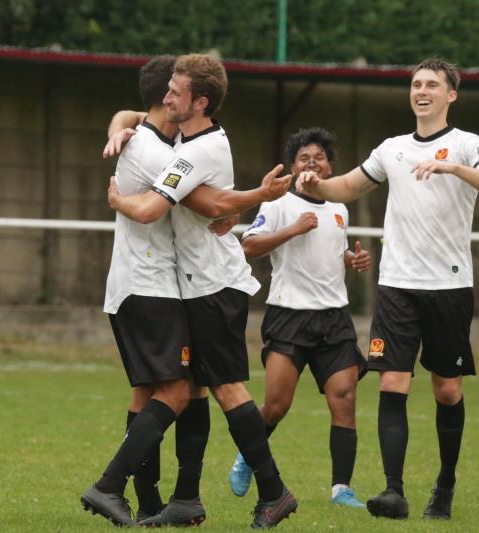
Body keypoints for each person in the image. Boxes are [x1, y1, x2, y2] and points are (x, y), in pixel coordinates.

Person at [297, 58, 479, 520]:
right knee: (392, 382)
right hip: (396, 284)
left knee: (446, 390)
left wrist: (456, 169)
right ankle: (393, 492)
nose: (422, 90)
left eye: (432, 84)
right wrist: (317, 184)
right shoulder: (391, 149)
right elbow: (349, 187)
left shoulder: (467, 144)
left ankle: (445, 484)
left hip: (448, 287)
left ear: (450, 95)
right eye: (416, 83)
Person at [93, 55, 291, 527]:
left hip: (212, 284)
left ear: (199, 102)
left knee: (223, 389)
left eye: (176, 92)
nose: (167, 99)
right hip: (190, 284)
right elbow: (136, 116)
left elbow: (179, 206)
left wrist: (120, 200)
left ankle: (274, 491)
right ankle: (184, 499)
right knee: (195, 390)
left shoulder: (195, 151)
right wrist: (119, 124)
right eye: (167, 91)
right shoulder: (182, 135)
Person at [228, 127, 371, 509]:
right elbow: (249, 245)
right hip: (289, 315)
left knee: (344, 396)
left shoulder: (340, 206)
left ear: (330, 166)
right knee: (276, 405)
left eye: (319, 157)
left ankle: (342, 489)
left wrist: (351, 260)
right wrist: (293, 228)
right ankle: (246, 457)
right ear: (292, 167)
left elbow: (333, 249)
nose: (312, 162)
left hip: (333, 318)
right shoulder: (278, 205)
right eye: (304, 158)